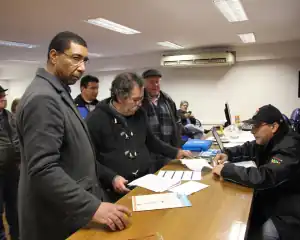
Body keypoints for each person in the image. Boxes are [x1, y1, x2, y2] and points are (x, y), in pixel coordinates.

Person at [15, 31, 131, 240]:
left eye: (85, 60)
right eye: (76, 58)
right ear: (53, 56)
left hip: (70, 212)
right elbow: (43, 169)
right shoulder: (42, 98)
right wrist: (93, 207)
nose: (83, 67)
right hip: (54, 221)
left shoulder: (57, 92)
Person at [212, 104, 300, 240]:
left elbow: (266, 176)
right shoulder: (273, 139)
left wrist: (226, 170)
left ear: (273, 127)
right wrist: (228, 154)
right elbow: (251, 147)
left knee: (265, 232)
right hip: (282, 195)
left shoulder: (289, 148)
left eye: (256, 127)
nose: (252, 131)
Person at [86, 72, 192, 202]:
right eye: (135, 100)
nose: (140, 104)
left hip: (144, 183)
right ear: (120, 97)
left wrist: (176, 152)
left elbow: (151, 141)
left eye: (141, 99)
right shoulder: (95, 120)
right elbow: (88, 160)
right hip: (114, 192)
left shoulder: (140, 114)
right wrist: (111, 177)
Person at [141, 69, 182, 171]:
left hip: (168, 151)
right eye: (151, 82)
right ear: (144, 84)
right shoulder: (140, 101)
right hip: (148, 153)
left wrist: (177, 146)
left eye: (157, 82)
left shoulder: (168, 100)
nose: (155, 85)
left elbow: (177, 123)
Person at [0, 86, 20, 240]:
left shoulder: (10, 117)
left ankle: (17, 235)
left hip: (13, 172)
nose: (3, 98)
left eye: (3, 95)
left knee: (14, 208)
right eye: (0, 96)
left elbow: (18, 141)